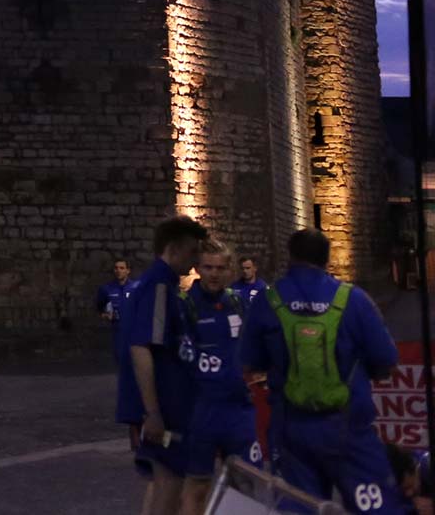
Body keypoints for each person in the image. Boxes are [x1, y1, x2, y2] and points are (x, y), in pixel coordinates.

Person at [241, 227, 406, 513]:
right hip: (348, 429)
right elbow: (387, 359)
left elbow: (250, 362)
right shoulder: (353, 300)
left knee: (301, 507)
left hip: (291, 431)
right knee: (377, 508)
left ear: (289, 258)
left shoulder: (268, 301)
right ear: (327, 260)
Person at [116, 214, 206, 515]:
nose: (195, 262)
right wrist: (152, 412)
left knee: (165, 485)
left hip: (172, 409)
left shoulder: (164, 286)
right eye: (192, 251)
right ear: (174, 248)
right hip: (165, 412)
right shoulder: (158, 288)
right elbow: (141, 347)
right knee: (169, 485)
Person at [181, 241, 263, 510]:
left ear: (230, 269)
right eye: (208, 267)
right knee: (197, 487)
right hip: (201, 413)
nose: (214, 273)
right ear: (197, 268)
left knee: (246, 485)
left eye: (220, 267)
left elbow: (255, 345)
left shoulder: (238, 302)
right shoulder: (185, 306)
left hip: (239, 411)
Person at [389, 443, 434, 515]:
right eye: (402, 490)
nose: (408, 494)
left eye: (409, 486)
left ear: (414, 469)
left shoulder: (428, 466)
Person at [96, 258, 134, 324]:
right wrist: (105, 315)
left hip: (133, 329)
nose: (118, 270)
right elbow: (99, 308)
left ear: (128, 270)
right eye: (116, 268)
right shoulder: (106, 289)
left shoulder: (135, 288)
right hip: (115, 329)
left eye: (122, 268)